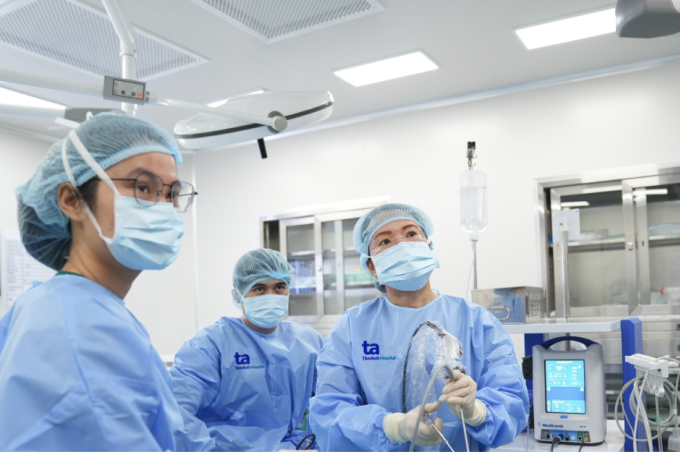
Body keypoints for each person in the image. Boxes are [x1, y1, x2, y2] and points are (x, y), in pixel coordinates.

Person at [0, 113, 205, 451]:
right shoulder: (79, 329)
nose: (164, 207)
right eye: (142, 187)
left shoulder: (80, 307)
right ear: (71, 201)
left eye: (171, 193)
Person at [309, 203, 530, 452]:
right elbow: (330, 412)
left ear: (428, 245)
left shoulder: (477, 321)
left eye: (411, 234)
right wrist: (392, 427)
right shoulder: (352, 327)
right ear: (372, 266)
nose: (401, 244)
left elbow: (512, 401)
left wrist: (477, 411)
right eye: (384, 241)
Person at [170, 248, 325, 452]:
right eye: (259, 288)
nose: (271, 295)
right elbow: (176, 413)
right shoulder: (210, 345)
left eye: (279, 287)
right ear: (239, 295)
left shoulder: (309, 341)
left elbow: (332, 400)